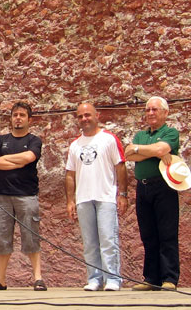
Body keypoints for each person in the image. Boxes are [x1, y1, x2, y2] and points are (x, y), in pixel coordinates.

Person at [0, 102, 47, 291]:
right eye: (15, 115)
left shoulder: (35, 140)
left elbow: (29, 158)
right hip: (1, 196)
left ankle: (38, 278)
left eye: (22, 115)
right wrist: (17, 162)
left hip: (26, 196)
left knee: (31, 236)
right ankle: (0, 280)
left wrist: (7, 161)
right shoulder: (1, 140)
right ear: (11, 119)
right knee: (2, 237)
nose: (18, 118)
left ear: (29, 119)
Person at [65, 103, 128, 291]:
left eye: (87, 115)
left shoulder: (109, 140)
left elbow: (120, 166)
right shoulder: (75, 145)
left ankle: (113, 279)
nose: (84, 119)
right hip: (83, 198)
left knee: (108, 239)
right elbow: (70, 174)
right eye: (80, 116)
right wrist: (70, 200)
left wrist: (122, 194)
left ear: (97, 116)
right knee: (90, 242)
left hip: (105, 197)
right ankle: (94, 278)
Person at [125, 96, 180, 291]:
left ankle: (169, 278)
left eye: (155, 110)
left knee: (167, 233)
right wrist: (153, 151)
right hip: (143, 187)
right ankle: (151, 278)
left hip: (163, 187)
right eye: (148, 110)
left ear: (165, 113)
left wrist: (142, 151)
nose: (150, 113)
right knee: (148, 235)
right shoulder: (141, 135)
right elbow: (128, 154)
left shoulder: (170, 133)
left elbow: (162, 148)